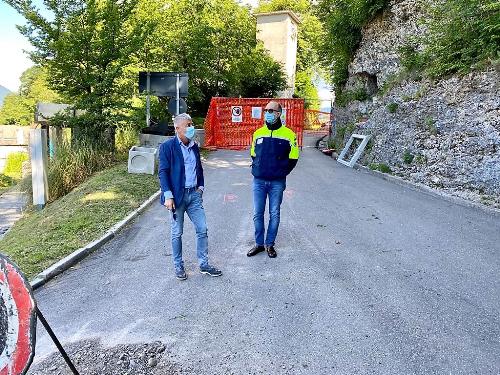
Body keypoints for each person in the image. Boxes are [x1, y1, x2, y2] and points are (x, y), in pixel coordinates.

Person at [158, 113, 222, 280]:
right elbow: (163, 172)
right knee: (177, 232)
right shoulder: (167, 147)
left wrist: (200, 188)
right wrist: (168, 195)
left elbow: (198, 169)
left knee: (202, 228)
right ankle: (178, 266)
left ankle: (204, 264)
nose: (191, 127)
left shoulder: (194, 146)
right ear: (177, 128)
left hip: (194, 195)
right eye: (188, 124)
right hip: (176, 197)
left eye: (191, 123)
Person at [247, 101, 299, 258]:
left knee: (274, 213)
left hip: (277, 182)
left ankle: (270, 244)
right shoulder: (258, 133)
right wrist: (258, 168)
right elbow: (253, 154)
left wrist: (281, 172)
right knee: (257, 213)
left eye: (271, 110)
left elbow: (294, 157)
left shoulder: (289, 134)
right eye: (266, 110)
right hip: (259, 181)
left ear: (278, 114)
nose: (267, 113)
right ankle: (259, 244)